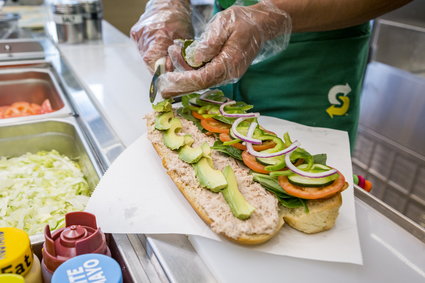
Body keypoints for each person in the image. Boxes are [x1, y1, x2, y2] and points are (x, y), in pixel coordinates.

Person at [130, 0, 411, 148]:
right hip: (226, 36)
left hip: (315, 60)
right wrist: (167, 4)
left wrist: (272, 16)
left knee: (300, 161)